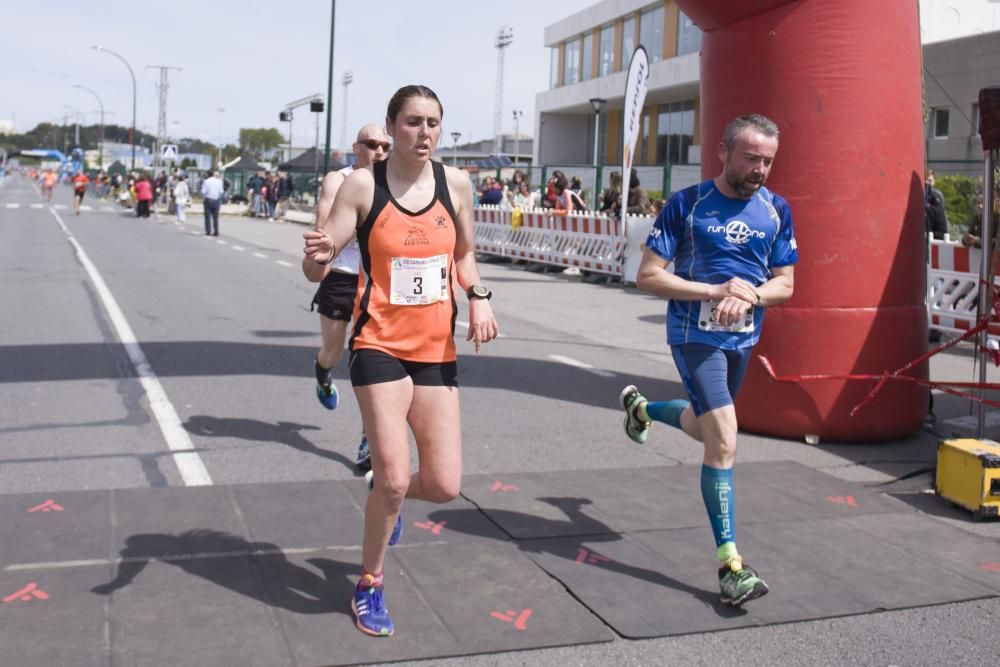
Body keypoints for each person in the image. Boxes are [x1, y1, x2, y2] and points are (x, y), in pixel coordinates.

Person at [302, 85, 499, 637]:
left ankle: (382, 497)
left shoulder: (455, 184)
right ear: (392, 128)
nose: (426, 132)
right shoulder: (364, 186)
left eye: (434, 122)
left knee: (441, 484)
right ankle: (369, 583)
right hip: (379, 344)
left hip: (436, 350)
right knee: (392, 476)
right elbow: (322, 262)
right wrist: (315, 258)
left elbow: (464, 254)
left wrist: (479, 296)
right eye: (413, 122)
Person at [619, 114, 797, 607]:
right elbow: (648, 276)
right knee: (723, 438)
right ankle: (730, 566)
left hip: (741, 339)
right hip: (694, 336)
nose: (760, 168)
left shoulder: (776, 209)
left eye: (767, 160)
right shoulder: (687, 204)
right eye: (751, 158)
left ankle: (643, 410)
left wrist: (754, 297)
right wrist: (713, 290)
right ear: (723, 152)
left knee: (703, 426)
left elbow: (786, 284)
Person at [307, 123, 391, 471]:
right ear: (357, 148)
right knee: (334, 351)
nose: (380, 152)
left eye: (386, 146)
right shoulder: (337, 180)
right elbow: (323, 225)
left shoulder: (395, 184)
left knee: (371, 364)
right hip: (342, 275)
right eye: (372, 145)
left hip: (379, 282)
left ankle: (367, 441)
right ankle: (322, 370)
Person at [925, 170, 949, 240]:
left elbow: (940, 214)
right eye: (925, 180)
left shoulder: (937, 195)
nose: (927, 183)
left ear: (934, 181)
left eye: (929, 181)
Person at [201, 170, 224, 236]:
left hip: (208, 199)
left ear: (208, 175)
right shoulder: (219, 181)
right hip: (216, 200)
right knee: (215, 217)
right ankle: (216, 231)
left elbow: (203, 191)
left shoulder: (206, 181)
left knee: (207, 217)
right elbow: (221, 191)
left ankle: (208, 231)